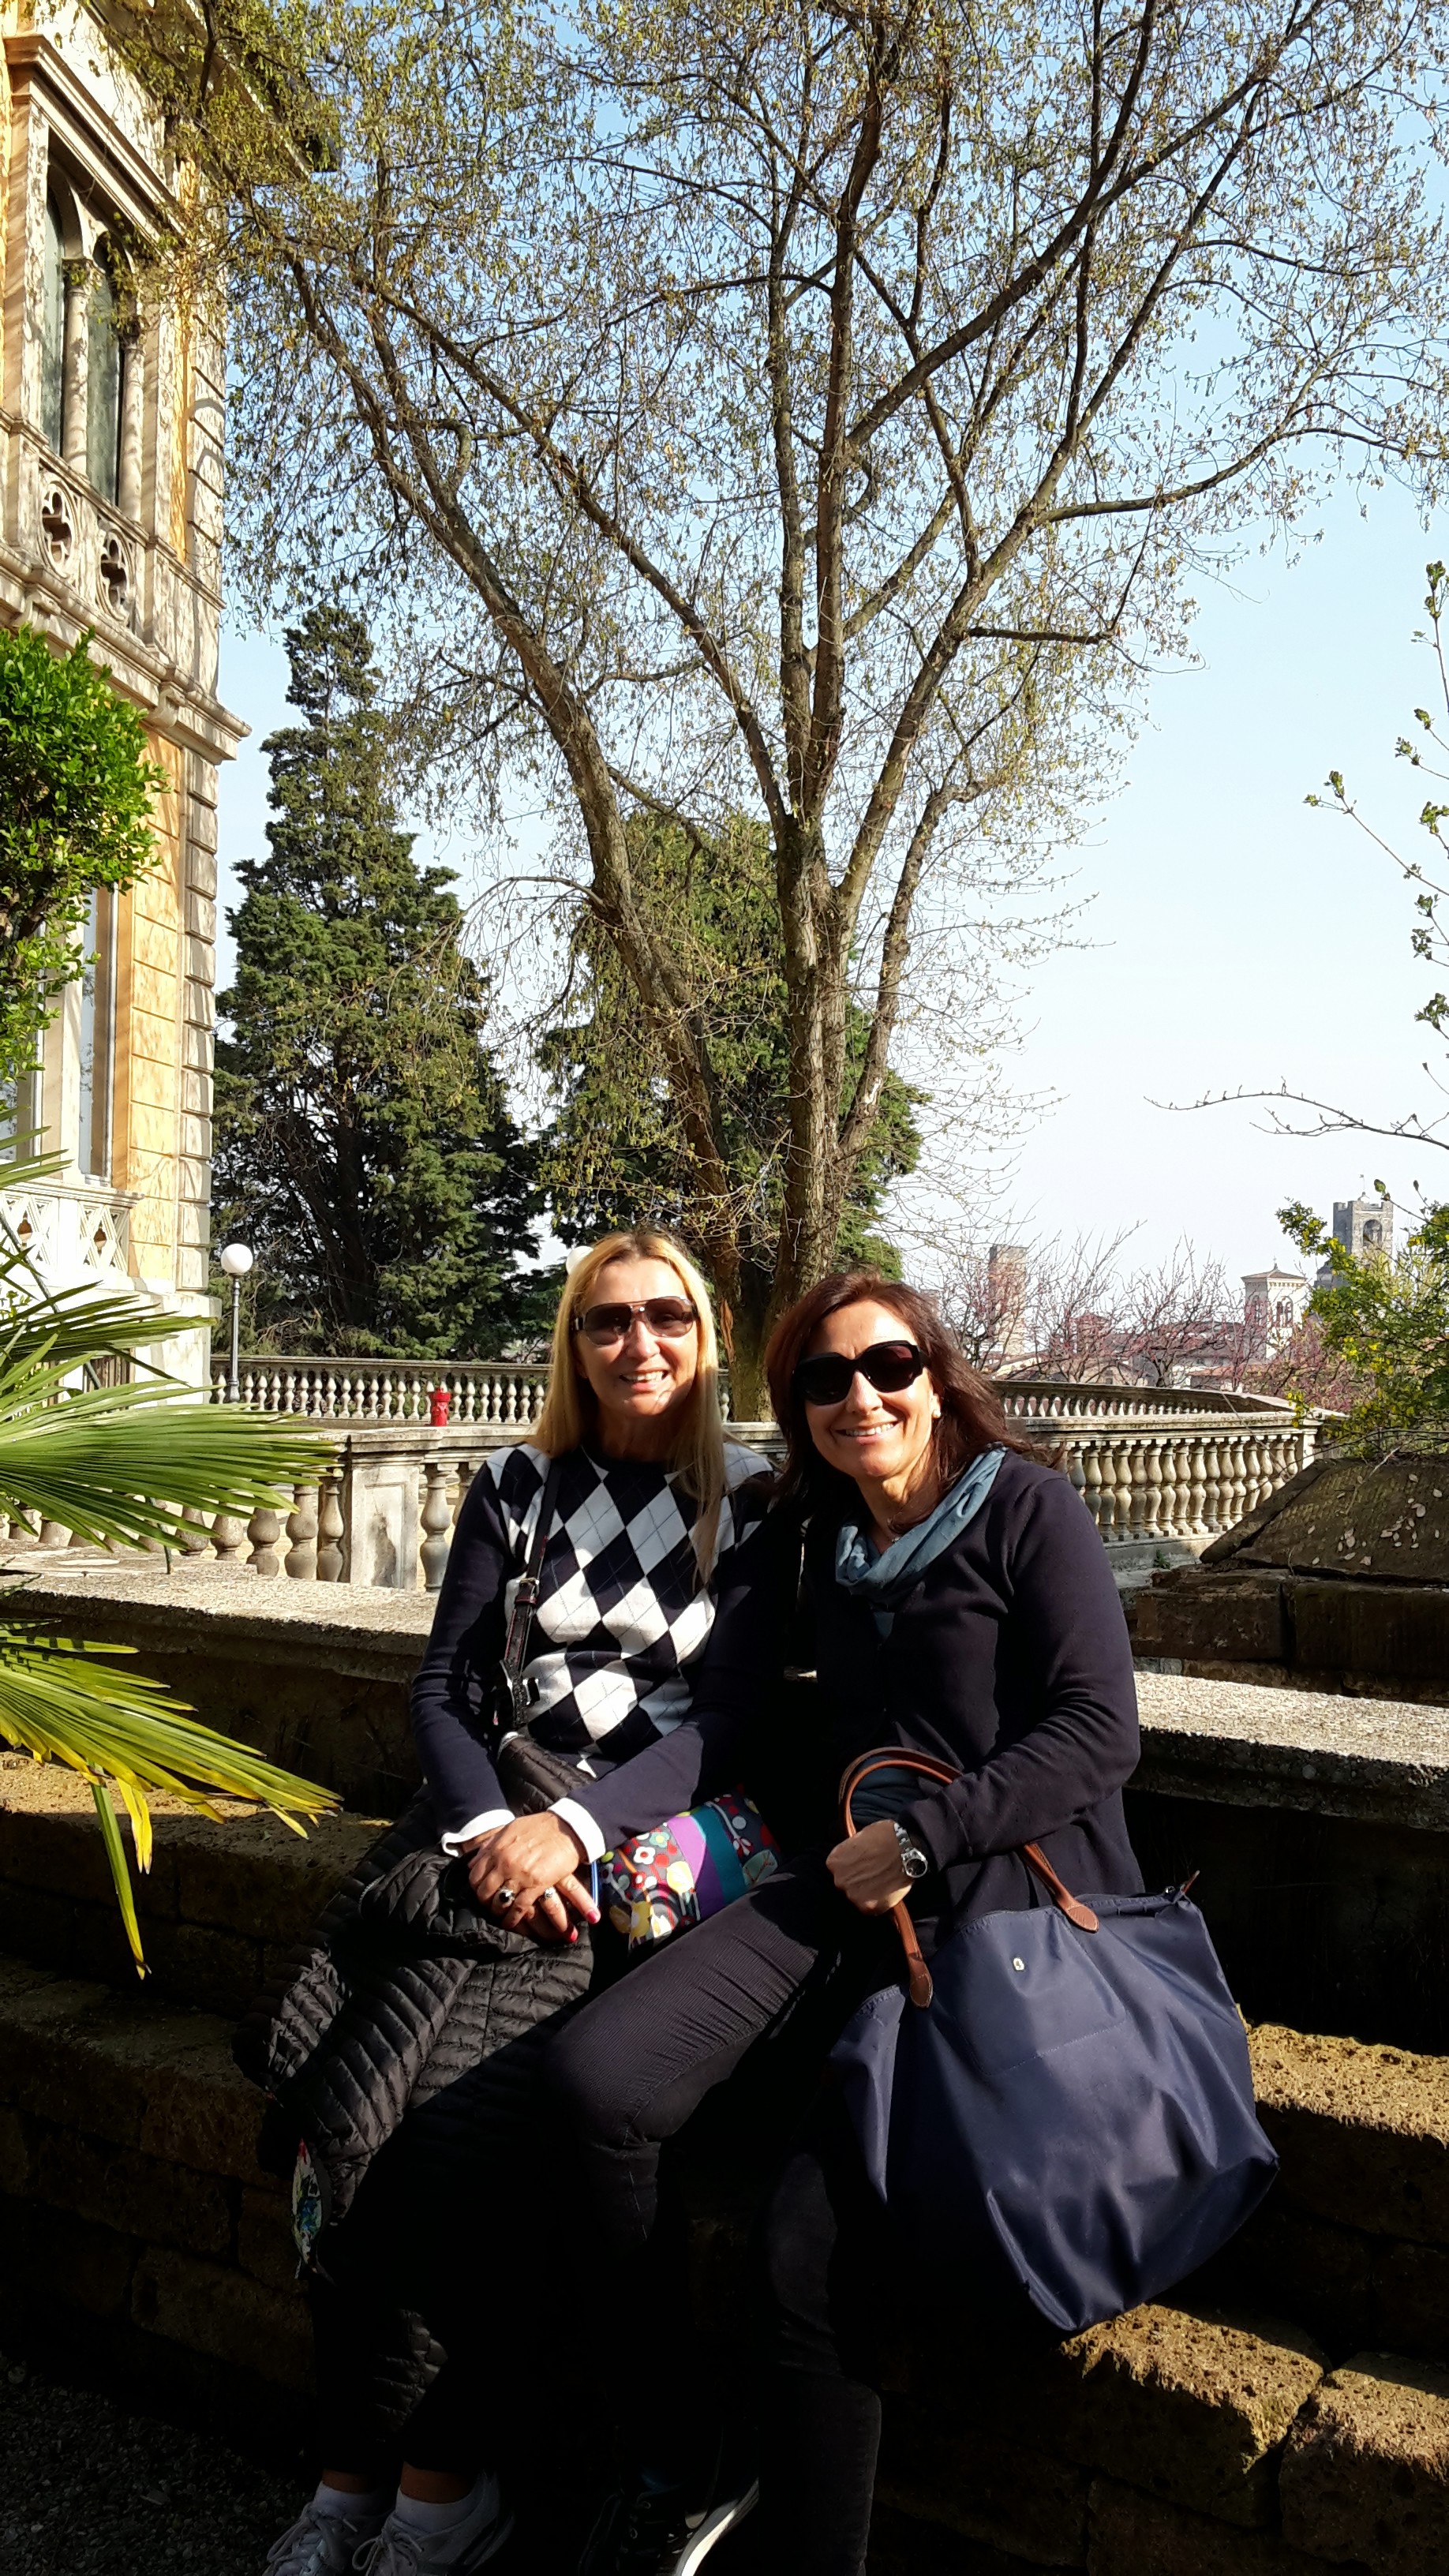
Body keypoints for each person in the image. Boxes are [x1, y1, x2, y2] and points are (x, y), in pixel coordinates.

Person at [537, 1270, 1144, 2576]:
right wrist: (583, 1816)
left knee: (804, 2262)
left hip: (997, 1909)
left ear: (938, 1379)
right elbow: (731, 1711)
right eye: (824, 1378)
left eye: (887, 1367)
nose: (859, 1396)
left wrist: (929, 1836)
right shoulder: (810, 1533)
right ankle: (678, 2458)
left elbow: (1101, 1730)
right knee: (593, 2081)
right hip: (845, 1892)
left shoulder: (1026, 1508)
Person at [260, 1230, 769, 2576]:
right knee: (344, 2110)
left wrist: (575, 1834)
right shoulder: (519, 1484)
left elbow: (728, 1726)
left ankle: (439, 2499)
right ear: (573, 1341)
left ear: (706, 1336)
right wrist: (495, 1827)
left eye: (667, 1317)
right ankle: (345, 2488)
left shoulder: (753, 1500)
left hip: (621, 1857)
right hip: (485, 1831)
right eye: (608, 1320)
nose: (639, 1343)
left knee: (457, 2135)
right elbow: (443, 1687)